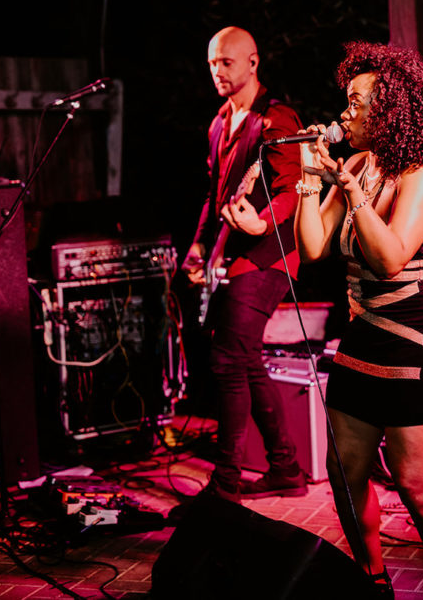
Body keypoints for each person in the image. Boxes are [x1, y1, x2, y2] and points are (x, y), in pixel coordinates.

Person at [294, 42, 423, 600]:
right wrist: (308, 181)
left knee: (418, 485)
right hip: (364, 333)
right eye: (345, 100)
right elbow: (313, 249)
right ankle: (374, 583)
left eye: (356, 102)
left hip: (419, 338)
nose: (344, 112)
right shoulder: (355, 164)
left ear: (392, 111)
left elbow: (390, 256)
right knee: (344, 472)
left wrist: (349, 191)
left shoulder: (422, 175)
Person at [180, 26, 308, 502]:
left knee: (228, 359)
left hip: (271, 254)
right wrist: (198, 246)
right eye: (212, 63)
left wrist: (261, 224)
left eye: (226, 63)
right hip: (230, 256)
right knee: (245, 360)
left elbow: (291, 190)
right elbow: (213, 196)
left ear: (253, 63)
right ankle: (287, 470)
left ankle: (225, 484)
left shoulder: (275, 119)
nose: (217, 71)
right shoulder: (219, 123)